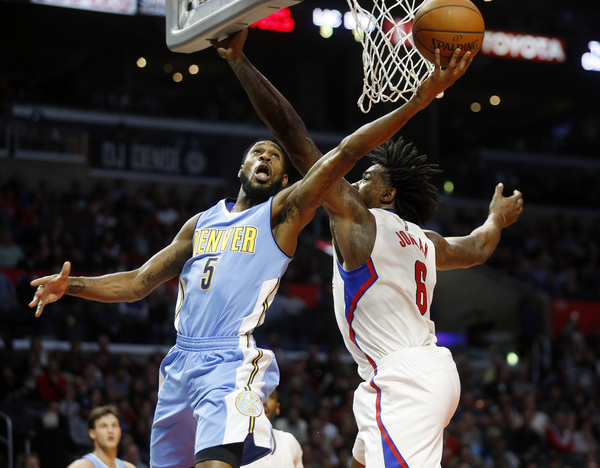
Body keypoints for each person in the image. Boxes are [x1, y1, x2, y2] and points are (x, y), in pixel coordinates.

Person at [28, 34, 471, 468]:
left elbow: (330, 145)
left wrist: (418, 100)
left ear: (285, 180)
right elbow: (136, 284)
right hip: (178, 361)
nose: (266, 157)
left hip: (229, 360)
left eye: (275, 158)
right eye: (258, 152)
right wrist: (73, 286)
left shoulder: (282, 214)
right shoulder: (199, 224)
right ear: (241, 167)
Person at [216, 29, 523, 467]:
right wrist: (496, 217)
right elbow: (478, 248)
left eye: (367, 177)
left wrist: (239, 61)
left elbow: (294, 136)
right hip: (416, 372)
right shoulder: (425, 241)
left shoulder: (358, 221)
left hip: (403, 379)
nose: (355, 181)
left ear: (388, 194)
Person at [242, 389, 303, 468]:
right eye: (257, 395)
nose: (264, 401)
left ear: (277, 408)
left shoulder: (289, 442)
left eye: (270, 396)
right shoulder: (234, 441)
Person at [66, 405, 135, 468]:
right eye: (103, 426)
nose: (110, 431)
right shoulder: (82, 466)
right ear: (92, 433)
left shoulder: (128, 467)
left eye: (114, 425)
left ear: (120, 431)